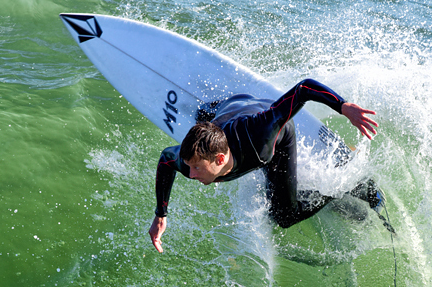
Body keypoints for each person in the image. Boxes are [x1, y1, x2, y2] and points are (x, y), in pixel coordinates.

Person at [148, 78, 383, 253]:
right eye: (189, 167)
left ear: (219, 160)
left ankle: (341, 189)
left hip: (272, 135)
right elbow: (166, 159)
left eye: (197, 168)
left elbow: (304, 89)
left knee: (283, 216)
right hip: (231, 105)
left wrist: (343, 107)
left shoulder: (260, 133)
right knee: (205, 115)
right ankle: (208, 108)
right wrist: (161, 215)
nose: (189, 174)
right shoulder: (195, 160)